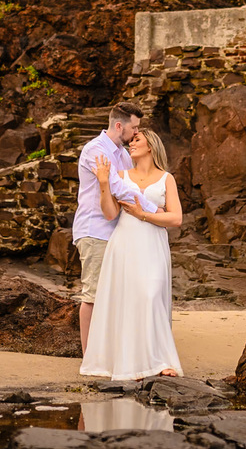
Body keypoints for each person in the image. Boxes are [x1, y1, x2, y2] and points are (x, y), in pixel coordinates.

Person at [80, 128, 184, 380]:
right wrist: (104, 182)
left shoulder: (166, 178)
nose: (131, 144)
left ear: (151, 146)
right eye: (131, 140)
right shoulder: (121, 175)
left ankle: (159, 360)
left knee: (151, 295)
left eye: (137, 139)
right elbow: (110, 214)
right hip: (125, 242)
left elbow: (176, 218)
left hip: (152, 242)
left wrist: (144, 215)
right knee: (129, 299)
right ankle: (130, 363)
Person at [72, 102, 157, 353]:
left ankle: (109, 351)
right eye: (134, 127)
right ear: (119, 125)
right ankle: (89, 355)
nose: (135, 132)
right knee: (93, 295)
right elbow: (118, 189)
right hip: (95, 230)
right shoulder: (96, 150)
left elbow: (132, 185)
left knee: (114, 295)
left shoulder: (121, 153)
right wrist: (154, 211)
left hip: (116, 232)